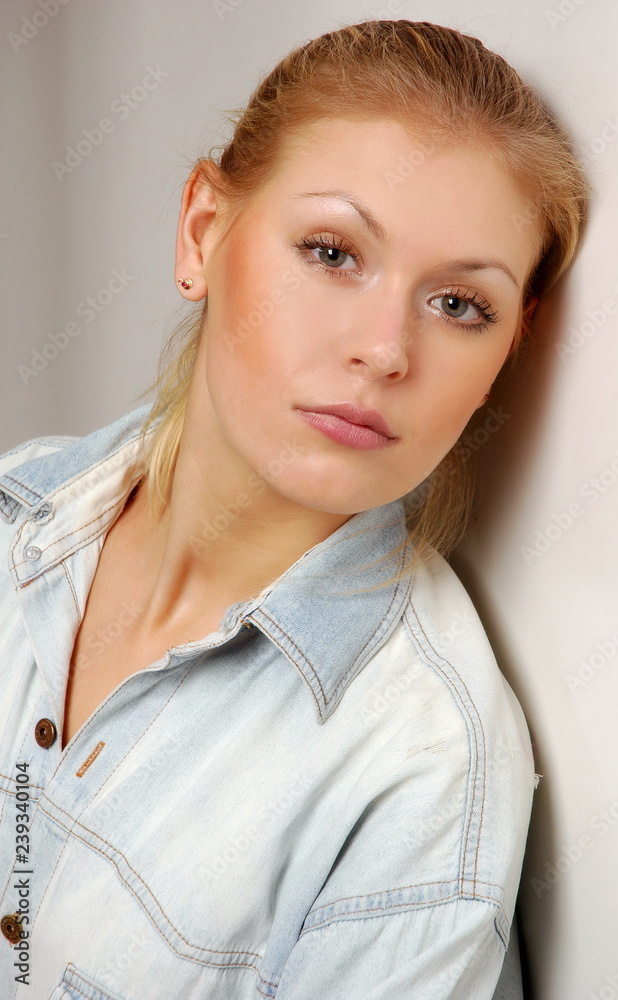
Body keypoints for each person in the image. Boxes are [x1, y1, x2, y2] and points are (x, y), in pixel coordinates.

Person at [0, 19, 587, 1000]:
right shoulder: (16, 502)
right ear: (202, 231)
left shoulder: (423, 772)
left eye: (458, 305)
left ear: (508, 350)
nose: (383, 349)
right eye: (331, 252)